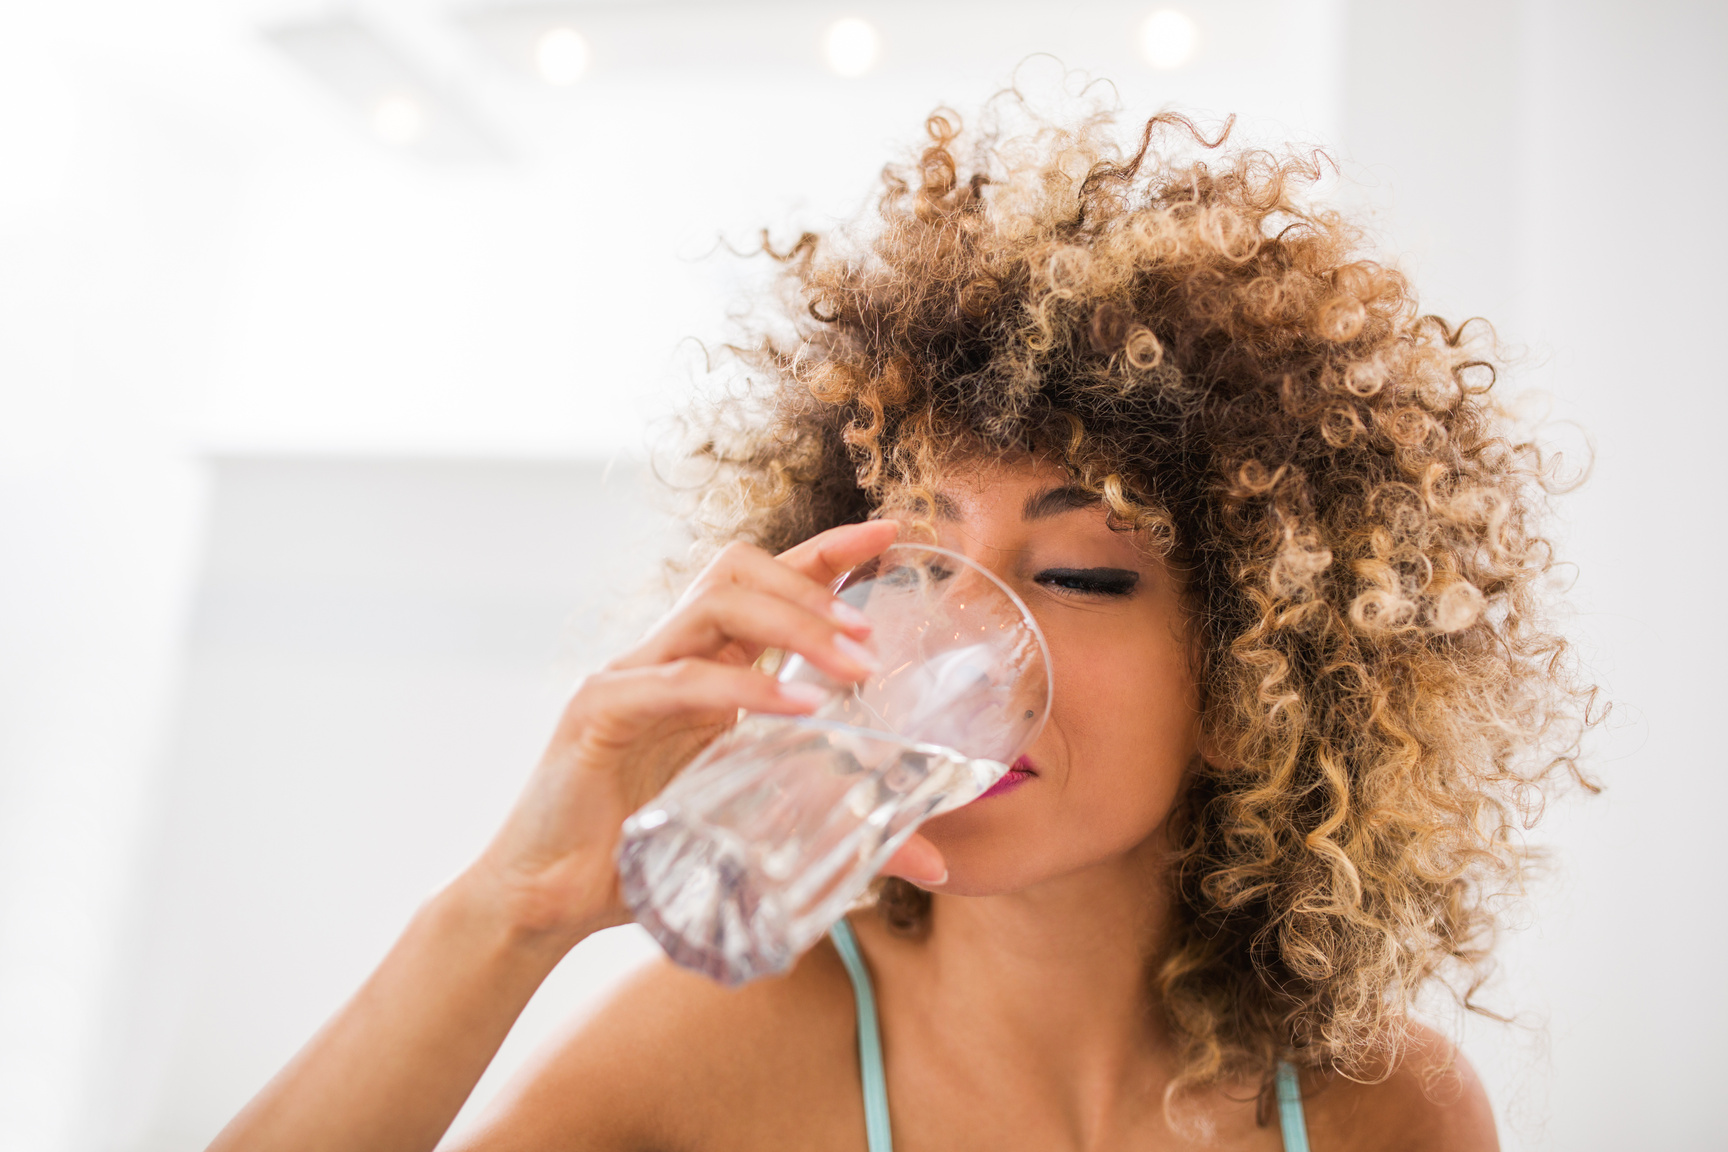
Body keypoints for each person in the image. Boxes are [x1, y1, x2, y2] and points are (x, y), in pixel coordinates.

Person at [209, 102, 1594, 1152]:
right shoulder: (725, 1055)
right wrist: (507, 911)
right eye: (917, 557)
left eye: (1080, 574)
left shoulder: (1381, 1107)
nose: (953, 641)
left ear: (1256, 683)